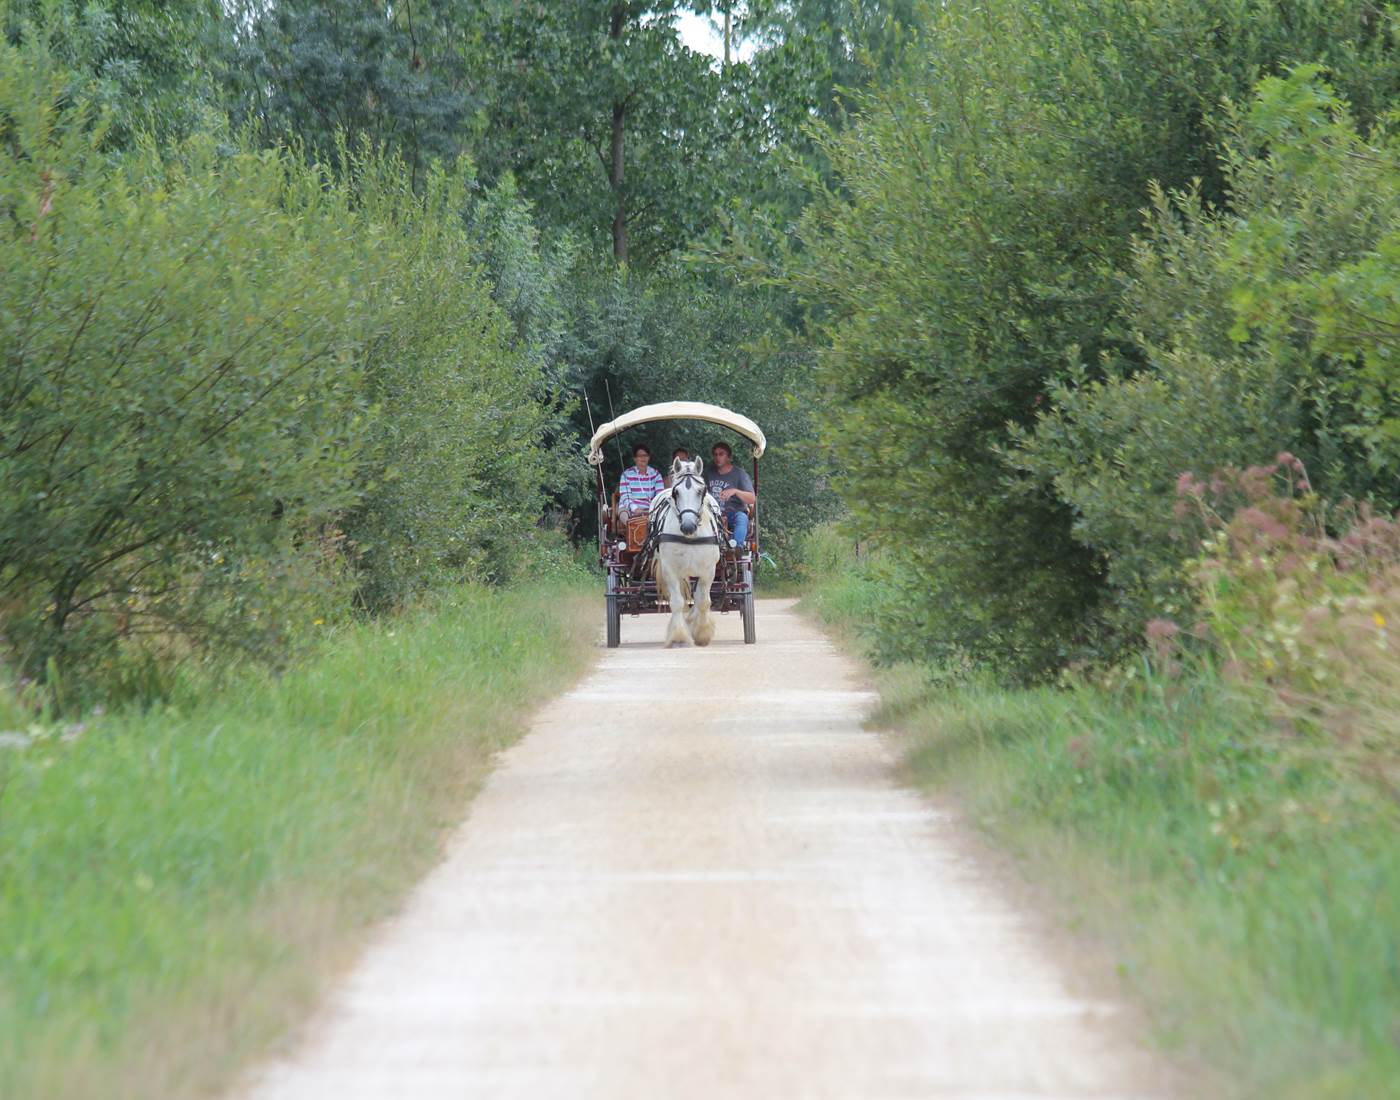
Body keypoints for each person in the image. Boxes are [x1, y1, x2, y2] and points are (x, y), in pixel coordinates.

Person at [707, 441, 756, 548]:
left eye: (721, 454)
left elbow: (752, 499)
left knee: (742, 518)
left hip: (733, 514)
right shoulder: (708, 473)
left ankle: (736, 546)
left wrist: (735, 491)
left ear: (728, 457)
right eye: (715, 454)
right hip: (713, 514)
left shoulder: (739, 474)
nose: (717, 457)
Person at [616, 443, 665, 527]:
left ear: (648, 458)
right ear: (635, 459)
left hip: (650, 509)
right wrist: (635, 508)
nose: (643, 458)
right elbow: (625, 496)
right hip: (628, 508)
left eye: (645, 455)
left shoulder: (656, 474)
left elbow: (660, 496)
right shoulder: (626, 474)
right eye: (640, 455)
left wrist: (653, 509)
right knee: (628, 519)